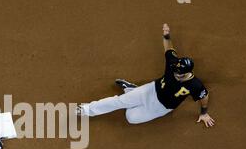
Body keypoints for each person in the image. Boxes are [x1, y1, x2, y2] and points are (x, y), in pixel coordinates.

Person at [76, 23, 215, 127]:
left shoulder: (195, 84)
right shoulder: (174, 64)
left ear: (188, 73)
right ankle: (86, 109)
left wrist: (203, 113)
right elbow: (169, 48)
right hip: (150, 89)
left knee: (130, 117)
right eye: (176, 71)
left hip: (160, 107)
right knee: (119, 101)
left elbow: (204, 96)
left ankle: (131, 89)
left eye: (179, 74)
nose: (176, 74)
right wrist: (166, 35)